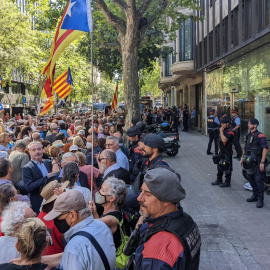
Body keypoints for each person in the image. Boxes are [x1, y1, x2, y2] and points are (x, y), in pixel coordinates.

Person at [131, 167, 201, 269]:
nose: (139, 198)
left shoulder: (157, 248)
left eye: (148, 194)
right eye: (141, 191)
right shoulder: (186, 219)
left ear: (167, 201)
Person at [43, 189, 116, 270]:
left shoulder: (74, 246)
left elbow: (75, 253)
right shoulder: (102, 226)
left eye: (58, 217)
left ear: (73, 215)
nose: (56, 221)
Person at [89, 176, 127, 250]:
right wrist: (94, 212)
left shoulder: (111, 219)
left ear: (112, 198)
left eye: (102, 190)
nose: (98, 191)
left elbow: (93, 224)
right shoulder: (106, 211)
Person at [241, 118, 268, 208]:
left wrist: (262, 162)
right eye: (248, 123)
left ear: (255, 125)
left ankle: (260, 199)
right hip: (249, 162)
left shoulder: (261, 136)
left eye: (250, 124)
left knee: (258, 181)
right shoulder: (249, 136)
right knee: (251, 178)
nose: (248, 125)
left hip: (258, 161)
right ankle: (255, 195)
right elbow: (245, 147)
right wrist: (242, 158)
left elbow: (265, 149)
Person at [38, 180, 69, 255]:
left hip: (44, 257)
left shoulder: (40, 215)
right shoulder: (62, 218)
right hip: (61, 258)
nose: (66, 191)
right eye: (64, 190)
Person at [22, 141, 53, 214]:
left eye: (39, 149)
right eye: (34, 150)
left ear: (42, 150)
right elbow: (29, 187)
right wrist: (46, 178)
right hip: (38, 202)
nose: (37, 152)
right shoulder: (27, 168)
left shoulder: (48, 162)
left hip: (51, 199)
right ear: (29, 152)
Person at [211, 117, 235, 187]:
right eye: (222, 124)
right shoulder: (223, 130)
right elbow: (220, 140)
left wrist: (221, 131)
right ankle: (219, 180)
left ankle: (227, 182)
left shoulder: (231, 131)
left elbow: (224, 140)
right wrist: (219, 146)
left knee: (227, 166)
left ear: (228, 124)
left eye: (224, 124)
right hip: (221, 150)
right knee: (219, 165)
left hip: (227, 151)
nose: (223, 125)